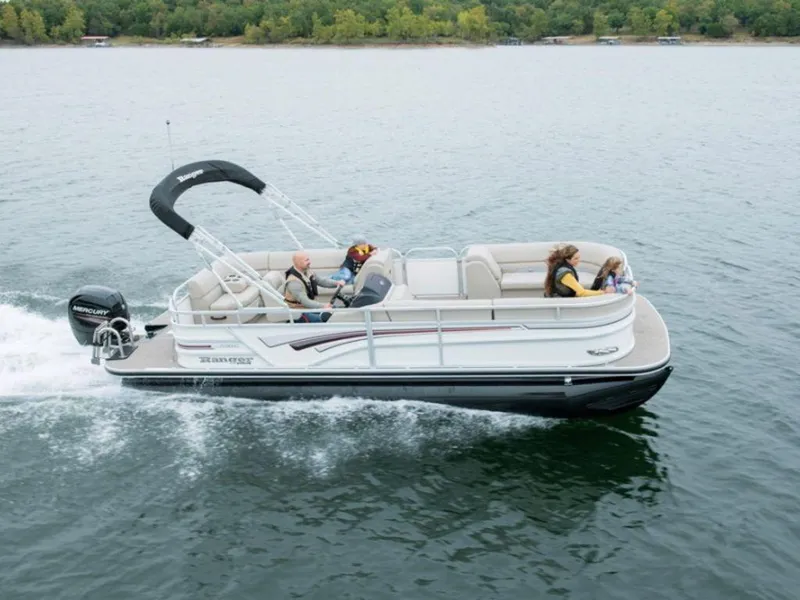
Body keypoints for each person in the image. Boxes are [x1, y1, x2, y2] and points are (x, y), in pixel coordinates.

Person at [284, 250, 345, 322]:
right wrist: (323, 306)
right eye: (306, 260)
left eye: (308, 259)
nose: (309, 262)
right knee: (324, 319)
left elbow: (321, 281)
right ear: (298, 263)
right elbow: (305, 301)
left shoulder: (307, 271)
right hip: (298, 312)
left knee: (335, 310)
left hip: (307, 308)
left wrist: (336, 283)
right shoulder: (294, 282)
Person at [544, 244, 615, 298]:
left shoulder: (559, 266)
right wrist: (603, 292)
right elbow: (581, 293)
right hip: (562, 301)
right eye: (575, 259)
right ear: (567, 259)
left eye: (579, 258)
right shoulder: (565, 274)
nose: (578, 261)